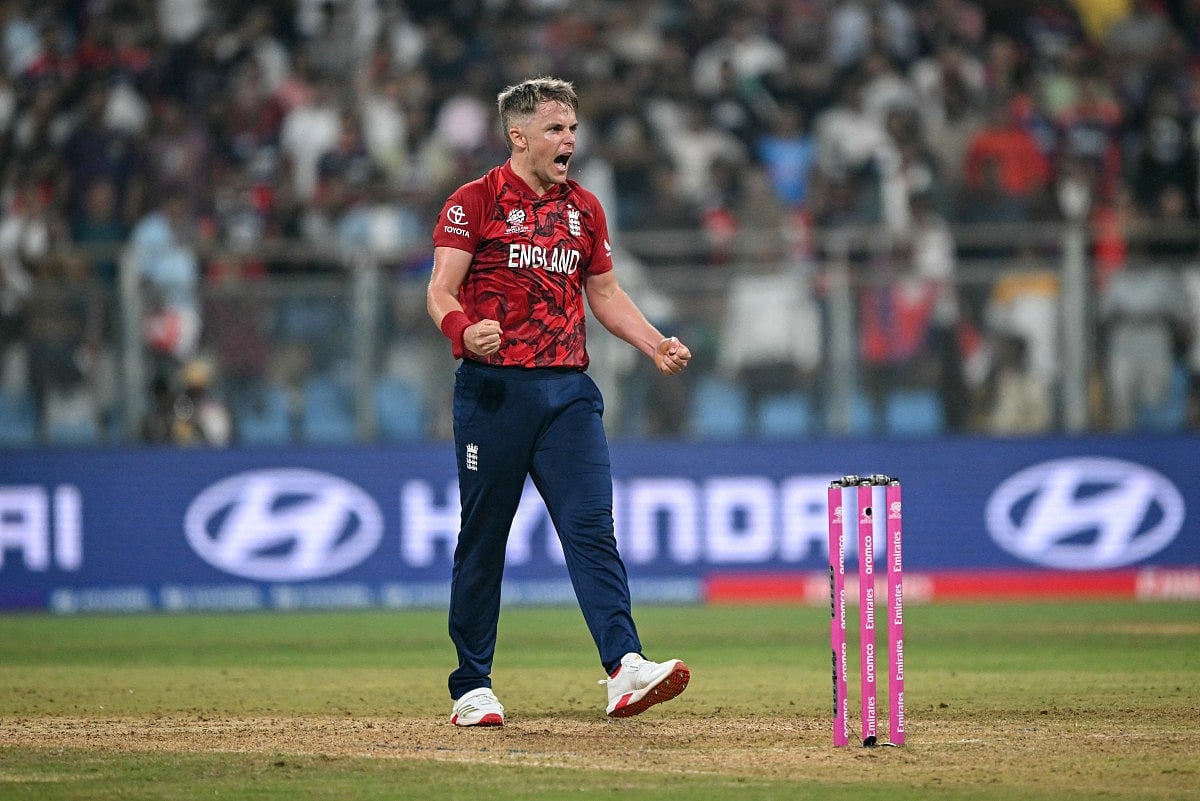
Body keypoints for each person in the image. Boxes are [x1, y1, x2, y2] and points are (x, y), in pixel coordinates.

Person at [426, 77, 693, 728]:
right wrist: (463, 330)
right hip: (494, 392)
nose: (568, 139)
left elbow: (603, 292)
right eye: (554, 128)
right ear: (518, 136)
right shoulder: (474, 202)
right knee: (485, 539)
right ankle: (472, 685)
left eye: (572, 128)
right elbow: (439, 290)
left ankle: (624, 666)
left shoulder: (584, 209)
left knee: (590, 527)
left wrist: (653, 341)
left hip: (568, 391)